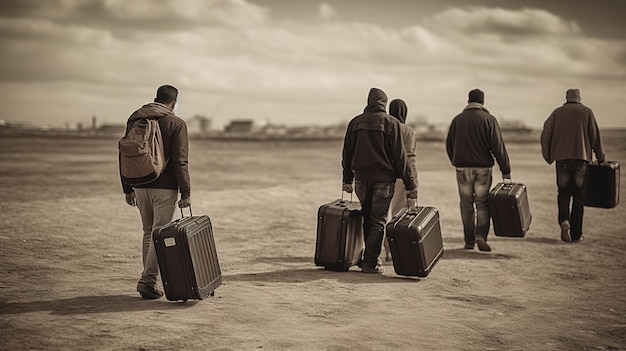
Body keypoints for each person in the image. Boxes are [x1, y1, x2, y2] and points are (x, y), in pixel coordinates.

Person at [120, 84, 191, 299]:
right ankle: (147, 281)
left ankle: (148, 282)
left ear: (155, 99)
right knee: (159, 233)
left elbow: (124, 152)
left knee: (148, 232)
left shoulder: (136, 119)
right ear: (174, 102)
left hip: (139, 184)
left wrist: (127, 187)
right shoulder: (176, 123)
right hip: (165, 187)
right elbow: (180, 161)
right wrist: (186, 192)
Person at [342, 87, 417, 273]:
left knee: (367, 218)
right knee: (378, 221)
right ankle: (370, 262)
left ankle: (368, 258)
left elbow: (347, 154)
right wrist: (410, 184)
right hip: (383, 180)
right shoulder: (391, 123)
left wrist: (347, 180)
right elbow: (401, 158)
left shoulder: (355, 122)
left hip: (360, 180)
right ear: (384, 103)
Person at [446, 88, 511, 252]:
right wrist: (505, 169)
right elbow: (498, 147)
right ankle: (481, 236)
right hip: (483, 168)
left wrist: (456, 161)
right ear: (482, 102)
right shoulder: (489, 119)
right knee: (482, 204)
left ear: (468, 101)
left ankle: (469, 241)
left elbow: (449, 144)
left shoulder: (457, 120)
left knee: (466, 205)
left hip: (462, 168)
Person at [540, 88, 605, 243]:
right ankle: (576, 234)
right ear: (579, 98)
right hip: (581, 159)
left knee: (563, 193)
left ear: (567, 98)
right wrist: (600, 157)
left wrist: (549, 156)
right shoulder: (587, 112)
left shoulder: (557, 112)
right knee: (579, 197)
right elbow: (595, 136)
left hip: (562, 160)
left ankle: (564, 221)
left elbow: (545, 136)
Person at [384, 98, 418, 261]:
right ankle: (395, 250)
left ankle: (384, 250)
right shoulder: (408, 131)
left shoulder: (385, 127)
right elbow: (410, 159)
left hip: (383, 177)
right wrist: (413, 182)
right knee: (399, 215)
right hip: (401, 178)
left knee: (382, 215)